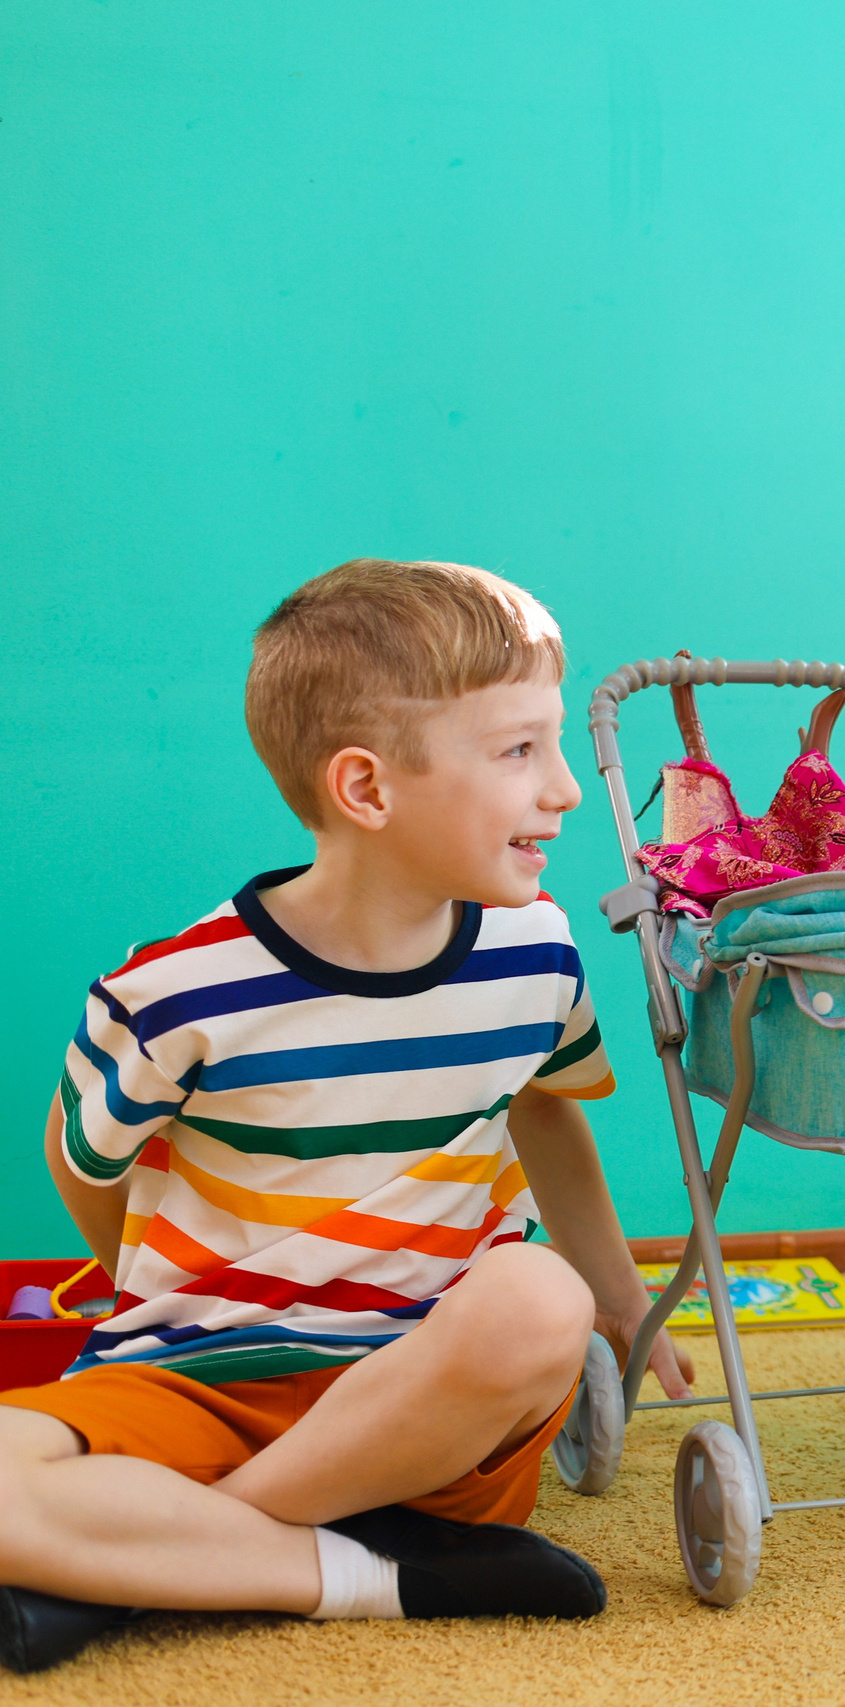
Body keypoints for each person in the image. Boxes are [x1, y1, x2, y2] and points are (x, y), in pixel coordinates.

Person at [0, 559, 693, 1673]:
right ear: (367, 790)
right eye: (519, 751)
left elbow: (545, 1116)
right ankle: (372, 1572)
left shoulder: (537, 950)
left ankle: (162, 1564)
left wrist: (615, 1292)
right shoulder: (176, 992)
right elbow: (80, 1157)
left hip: (431, 1393)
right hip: (204, 1371)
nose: (563, 788)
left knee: (534, 1296)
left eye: (552, 742)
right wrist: (158, 1288)